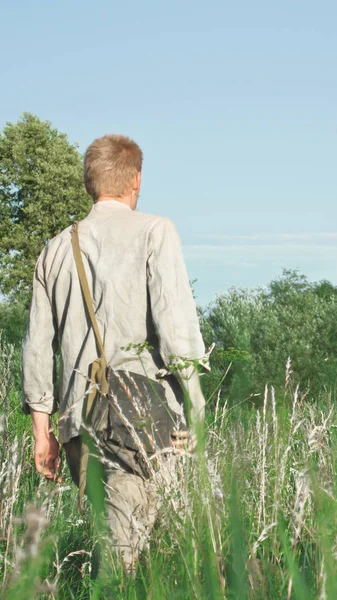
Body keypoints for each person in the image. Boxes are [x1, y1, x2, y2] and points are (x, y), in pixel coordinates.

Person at [22, 134, 208, 570]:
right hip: (142, 418)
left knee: (118, 547)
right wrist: (196, 409)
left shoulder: (53, 251)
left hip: (77, 422)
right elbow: (175, 326)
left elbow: (36, 349)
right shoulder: (155, 231)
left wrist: (42, 434)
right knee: (128, 563)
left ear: (90, 183)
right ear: (136, 180)